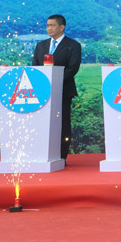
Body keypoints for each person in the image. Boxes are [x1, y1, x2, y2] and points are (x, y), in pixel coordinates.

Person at [32, 14, 81, 161]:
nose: (49, 28)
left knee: (63, 123)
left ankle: (61, 156)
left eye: (52, 25)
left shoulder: (73, 45)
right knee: (43, 122)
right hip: (43, 92)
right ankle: (43, 154)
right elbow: (35, 67)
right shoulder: (41, 46)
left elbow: (73, 68)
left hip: (63, 90)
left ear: (61, 27)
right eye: (47, 25)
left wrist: (55, 80)